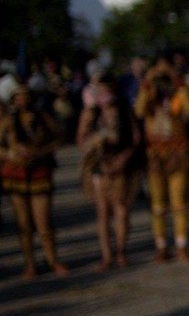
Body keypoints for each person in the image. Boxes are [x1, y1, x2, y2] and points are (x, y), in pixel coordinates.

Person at [77, 75, 143, 271]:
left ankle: (121, 252)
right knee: (103, 212)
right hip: (100, 168)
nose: (105, 95)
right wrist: (95, 148)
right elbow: (81, 139)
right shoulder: (91, 114)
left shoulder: (124, 111)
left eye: (108, 90)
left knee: (121, 210)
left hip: (122, 166)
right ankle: (106, 255)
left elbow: (136, 138)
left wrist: (123, 158)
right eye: (101, 90)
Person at [1, 85, 68, 278]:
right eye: (19, 97)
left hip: (39, 171)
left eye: (25, 96)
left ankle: (52, 259)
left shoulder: (42, 117)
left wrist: (40, 152)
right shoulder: (8, 121)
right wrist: (11, 154)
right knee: (24, 224)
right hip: (17, 174)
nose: (23, 100)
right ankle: (29, 263)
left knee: (44, 222)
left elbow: (58, 138)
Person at [136, 62, 189, 262]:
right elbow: (139, 110)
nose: (162, 86)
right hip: (155, 156)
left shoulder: (178, 98)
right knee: (158, 205)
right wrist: (149, 80)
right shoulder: (150, 102)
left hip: (177, 155)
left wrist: (175, 77)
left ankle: (181, 245)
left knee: (179, 203)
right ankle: (161, 245)